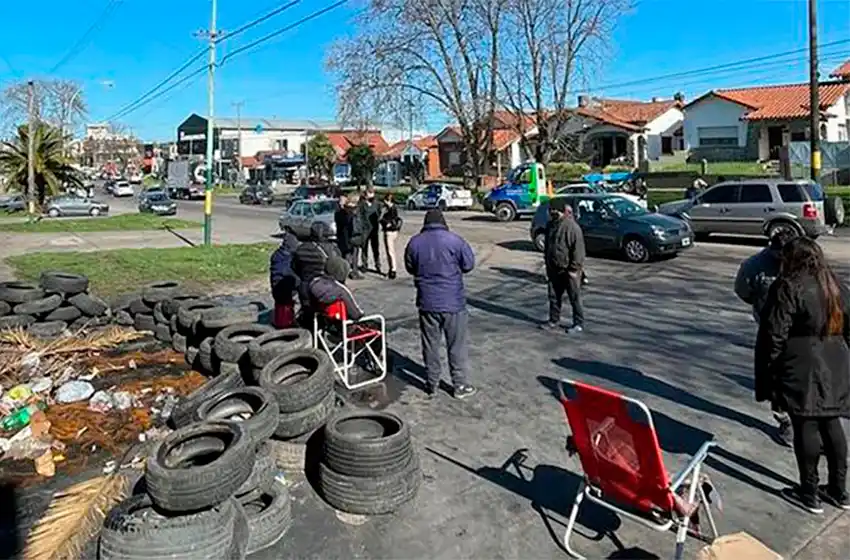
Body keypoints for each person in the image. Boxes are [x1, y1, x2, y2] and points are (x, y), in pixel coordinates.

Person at [755, 237, 850, 514]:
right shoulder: (834, 284)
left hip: (801, 366)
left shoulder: (788, 287)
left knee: (806, 425)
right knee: (832, 423)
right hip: (836, 362)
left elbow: (774, 334)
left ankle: (809, 492)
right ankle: (839, 490)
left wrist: (771, 372)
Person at [734, 228, 799, 446]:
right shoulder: (753, 266)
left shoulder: (802, 259)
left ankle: (807, 418)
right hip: (770, 331)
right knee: (775, 379)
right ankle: (785, 420)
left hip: (801, 330)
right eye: (780, 256)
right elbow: (743, 291)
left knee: (803, 376)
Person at [404, 209, 476, 400]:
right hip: (453, 302)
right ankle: (459, 385)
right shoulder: (455, 240)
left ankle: (432, 382)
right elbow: (469, 265)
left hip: (427, 302)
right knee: (456, 345)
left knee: (430, 344)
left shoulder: (414, 242)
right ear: (444, 222)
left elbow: (410, 267)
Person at [541, 199, 586, 333]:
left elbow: (578, 251)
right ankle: (554, 320)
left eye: (555, 211)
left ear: (562, 211)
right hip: (554, 268)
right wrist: (548, 265)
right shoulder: (550, 225)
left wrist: (573, 269)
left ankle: (578, 323)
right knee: (553, 297)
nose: (552, 213)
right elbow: (548, 247)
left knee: (574, 297)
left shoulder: (572, 227)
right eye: (551, 211)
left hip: (569, 270)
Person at [292, 222, 340, 306]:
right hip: (324, 287)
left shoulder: (301, 248)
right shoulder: (331, 249)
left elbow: (294, 267)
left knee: (307, 314)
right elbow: (337, 266)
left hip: (305, 287)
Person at [308, 255, 364, 321]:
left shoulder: (314, 282)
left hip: (322, 317)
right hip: (340, 322)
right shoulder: (341, 290)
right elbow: (356, 315)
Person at [269, 230, 300, 328]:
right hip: (285, 290)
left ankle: (281, 319)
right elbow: (289, 273)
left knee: (280, 304)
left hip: (275, 287)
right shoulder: (291, 258)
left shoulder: (277, 255)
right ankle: (288, 321)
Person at [379, 193, 403, 279]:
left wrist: (383, 220)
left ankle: (393, 269)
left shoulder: (389, 210)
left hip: (389, 231)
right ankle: (392, 268)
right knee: (391, 251)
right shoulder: (393, 208)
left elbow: (382, 219)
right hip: (394, 231)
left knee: (390, 251)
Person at [359, 188, 382, 273]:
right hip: (365, 229)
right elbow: (360, 216)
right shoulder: (362, 204)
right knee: (364, 248)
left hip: (374, 229)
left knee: (375, 248)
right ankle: (364, 264)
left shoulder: (377, 204)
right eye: (369, 193)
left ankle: (378, 264)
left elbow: (380, 214)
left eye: (372, 193)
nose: (371, 195)